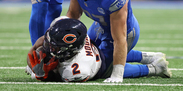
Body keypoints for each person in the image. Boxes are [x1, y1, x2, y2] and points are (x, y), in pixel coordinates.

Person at [63, 0, 170, 83]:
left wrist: (117, 74)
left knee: (100, 70)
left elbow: (119, 38)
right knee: (87, 55)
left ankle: (155, 68)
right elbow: (73, 16)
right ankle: (148, 56)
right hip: (100, 25)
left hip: (125, 32)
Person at [26, 17, 171, 82]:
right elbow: (37, 46)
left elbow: (60, 78)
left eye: (54, 46)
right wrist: (33, 59)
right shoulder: (72, 38)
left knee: (112, 69)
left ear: (69, 50)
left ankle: (156, 68)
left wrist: (44, 76)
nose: (48, 46)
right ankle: (151, 55)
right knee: (112, 49)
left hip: (98, 65)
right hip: (91, 45)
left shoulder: (75, 69)